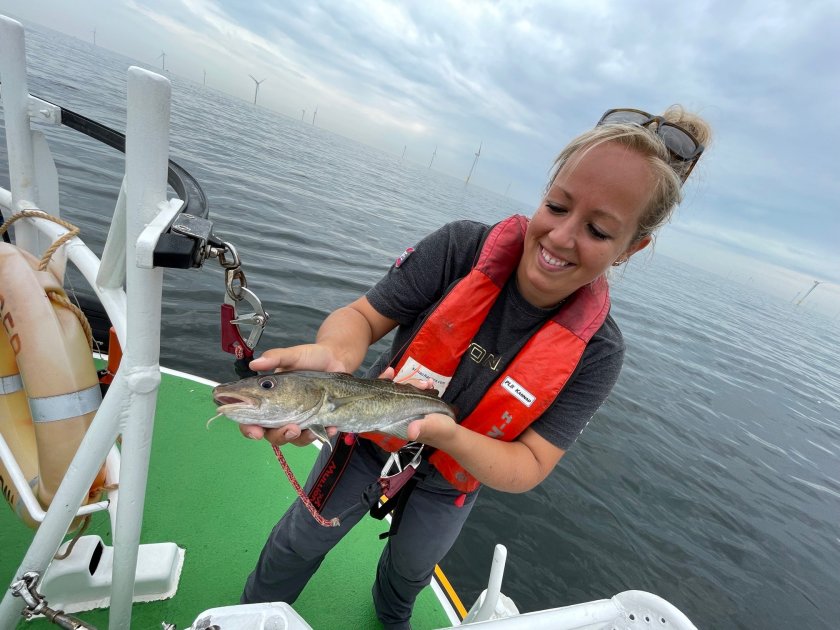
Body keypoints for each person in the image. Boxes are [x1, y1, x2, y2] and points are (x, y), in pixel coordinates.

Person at [238, 106, 712, 629]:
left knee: (411, 572)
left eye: (598, 231)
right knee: (300, 540)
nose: (559, 236)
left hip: (456, 476)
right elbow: (361, 317)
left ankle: (391, 620)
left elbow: (529, 464)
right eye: (556, 206)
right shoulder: (461, 248)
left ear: (632, 248)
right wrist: (335, 357)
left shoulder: (598, 351)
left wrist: (447, 437)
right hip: (367, 440)